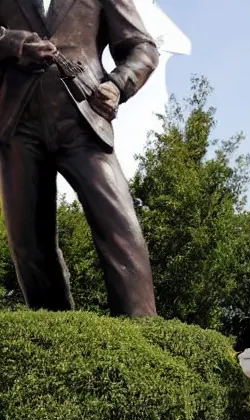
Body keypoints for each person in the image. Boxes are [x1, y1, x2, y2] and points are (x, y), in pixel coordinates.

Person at [0, 0, 159, 316]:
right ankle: (55, 336)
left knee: (121, 232)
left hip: (84, 120)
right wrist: (14, 43)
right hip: (18, 123)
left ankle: (142, 336)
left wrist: (116, 85)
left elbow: (142, 47)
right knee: (28, 244)